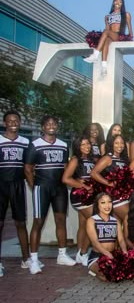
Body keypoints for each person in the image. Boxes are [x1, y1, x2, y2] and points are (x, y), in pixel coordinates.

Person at [25, 115, 76, 275]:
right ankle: (33, 259)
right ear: (43, 127)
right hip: (42, 187)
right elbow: (27, 169)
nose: (51, 126)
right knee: (38, 222)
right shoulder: (35, 145)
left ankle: (62, 254)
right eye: (48, 124)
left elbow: (66, 167)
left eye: (54, 123)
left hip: (59, 189)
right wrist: (35, 186)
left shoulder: (63, 145)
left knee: (61, 220)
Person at [0, 110, 30, 277]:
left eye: (16, 120)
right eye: (10, 120)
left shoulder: (25, 142)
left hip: (18, 185)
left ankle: (26, 258)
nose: (13, 123)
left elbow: (28, 165)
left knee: (20, 222)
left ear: (19, 122)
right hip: (1, 184)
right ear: (5, 123)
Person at [62, 136, 96, 267]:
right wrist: (83, 186)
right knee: (94, 222)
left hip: (90, 196)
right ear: (77, 147)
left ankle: (80, 254)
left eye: (87, 143)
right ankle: (83, 253)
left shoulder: (91, 159)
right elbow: (66, 179)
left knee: (83, 225)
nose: (86, 146)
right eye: (83, 144)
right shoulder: (75, 160)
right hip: (80, 197)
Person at [84, 0, 133, 74]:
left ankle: (95, 55)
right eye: (116, 1)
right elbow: (107, 29)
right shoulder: (107, 17)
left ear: (122, 4)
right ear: (113, 2)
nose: (118, 3)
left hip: (119, 36)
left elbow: (130, 27)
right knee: (106, 41)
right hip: (110, 35)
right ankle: (104, 67)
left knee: (106, 32)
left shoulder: (126, 14)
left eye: (120, 2)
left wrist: (131, 38)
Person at [86, 193, 128, 281]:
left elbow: (120, 240)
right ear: (97, 205)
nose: (107, 205)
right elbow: (95, 242)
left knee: (120, 274)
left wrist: (124, 250)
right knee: (108, 273)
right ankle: (93, 270)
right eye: (103, 203)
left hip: (113, 254)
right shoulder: (92, 220)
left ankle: (100, 274)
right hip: (97, 256)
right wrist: (107, 253)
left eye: (109, 202)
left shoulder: (115, 221)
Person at [90, 134, 130, 221]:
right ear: (112, 144)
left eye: (122, 143)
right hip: (114, 196)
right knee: (130, 220)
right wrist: (108, 183)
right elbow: (93, 173)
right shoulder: (108, 158)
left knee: (118, 226)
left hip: (124, 196)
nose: (120, 145)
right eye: (116, 143)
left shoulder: (123, 159)